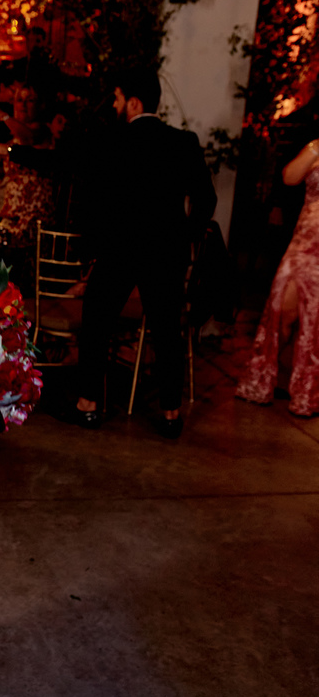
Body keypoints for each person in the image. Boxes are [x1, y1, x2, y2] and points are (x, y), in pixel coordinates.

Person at [69, 70, 217, 439]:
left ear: (134, 102)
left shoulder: (110, 139)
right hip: (165, 252)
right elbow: (207, 200)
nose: (115, 105)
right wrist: (185, 236)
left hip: (119, 250)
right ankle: (170, 414)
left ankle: (88, 405)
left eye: (118, 98)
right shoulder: (183, 142)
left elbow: (91, 197)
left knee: (97, 322)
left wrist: (91, 249)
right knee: (167, 330)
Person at [239, 140, 319, 415]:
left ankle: (308, 391)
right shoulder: (316, 147)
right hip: (305, 246)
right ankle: (265, 378)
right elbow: (290, 177)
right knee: (282, 311)